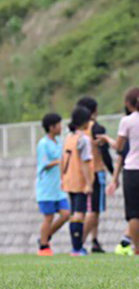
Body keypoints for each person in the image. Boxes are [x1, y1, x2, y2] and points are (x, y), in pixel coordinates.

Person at [76, 96, 113, 253]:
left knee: (89, 209)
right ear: (93, 111)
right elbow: (104, 153)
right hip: (96, 172)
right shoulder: (97, 128)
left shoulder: (76, 130)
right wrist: (113, 172)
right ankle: (78, 243)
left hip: (81, 173)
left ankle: (94, 241)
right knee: (95, 210)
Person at [105, 87, 139, 255]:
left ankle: (137, 248)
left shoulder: (127, 121)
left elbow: (119, 147)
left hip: (132, 169)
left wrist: (107, 139)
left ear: (128, 104)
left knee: (133, 213)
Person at [61, 106, 94, 256]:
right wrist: (89, 183)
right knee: (79, 214)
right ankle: (77, 248)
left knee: (74, 212)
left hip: (69, 180)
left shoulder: (69, 138)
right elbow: (86, 162)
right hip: (80, 180)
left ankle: (76, 247)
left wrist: (62, 177)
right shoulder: (84, 139)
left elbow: (63, 161)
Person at [35, 113, 69, 256]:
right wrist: (59, 161)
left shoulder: (59, 142)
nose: (61, 127)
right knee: (48, 217)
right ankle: (43, 247)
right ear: (51, 127)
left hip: (58, 188)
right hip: (46, 188)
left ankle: (45, 236)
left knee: (66, 214)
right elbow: (45, 164)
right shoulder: (43, 144)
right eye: (58, 125)